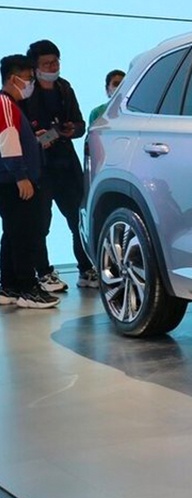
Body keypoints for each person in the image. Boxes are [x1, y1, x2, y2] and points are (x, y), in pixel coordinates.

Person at [22, 39, 98, 292]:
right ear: (34, 67)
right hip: (40, 167)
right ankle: (43, 272)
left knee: (78, 218)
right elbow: (23, 133)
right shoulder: (27, 93)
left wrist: (69, 129)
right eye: (46, 63)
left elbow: (80, 124)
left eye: (55, 62)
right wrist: (41, 138)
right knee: (40, 222)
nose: (52, 67)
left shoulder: (64, 88)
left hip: (66, 164)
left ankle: (86, 268)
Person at [0, 55, 60, 309]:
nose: (30, 84)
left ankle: (9, 286)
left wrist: (33, 141)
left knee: (13, 234)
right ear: (13, 78)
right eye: (28, 78)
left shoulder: (12, 106)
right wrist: (21, 176)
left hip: (10, 180)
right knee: (25, 235)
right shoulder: (5, 104)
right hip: (13, 182)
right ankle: (28, 289)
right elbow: (7, 140)